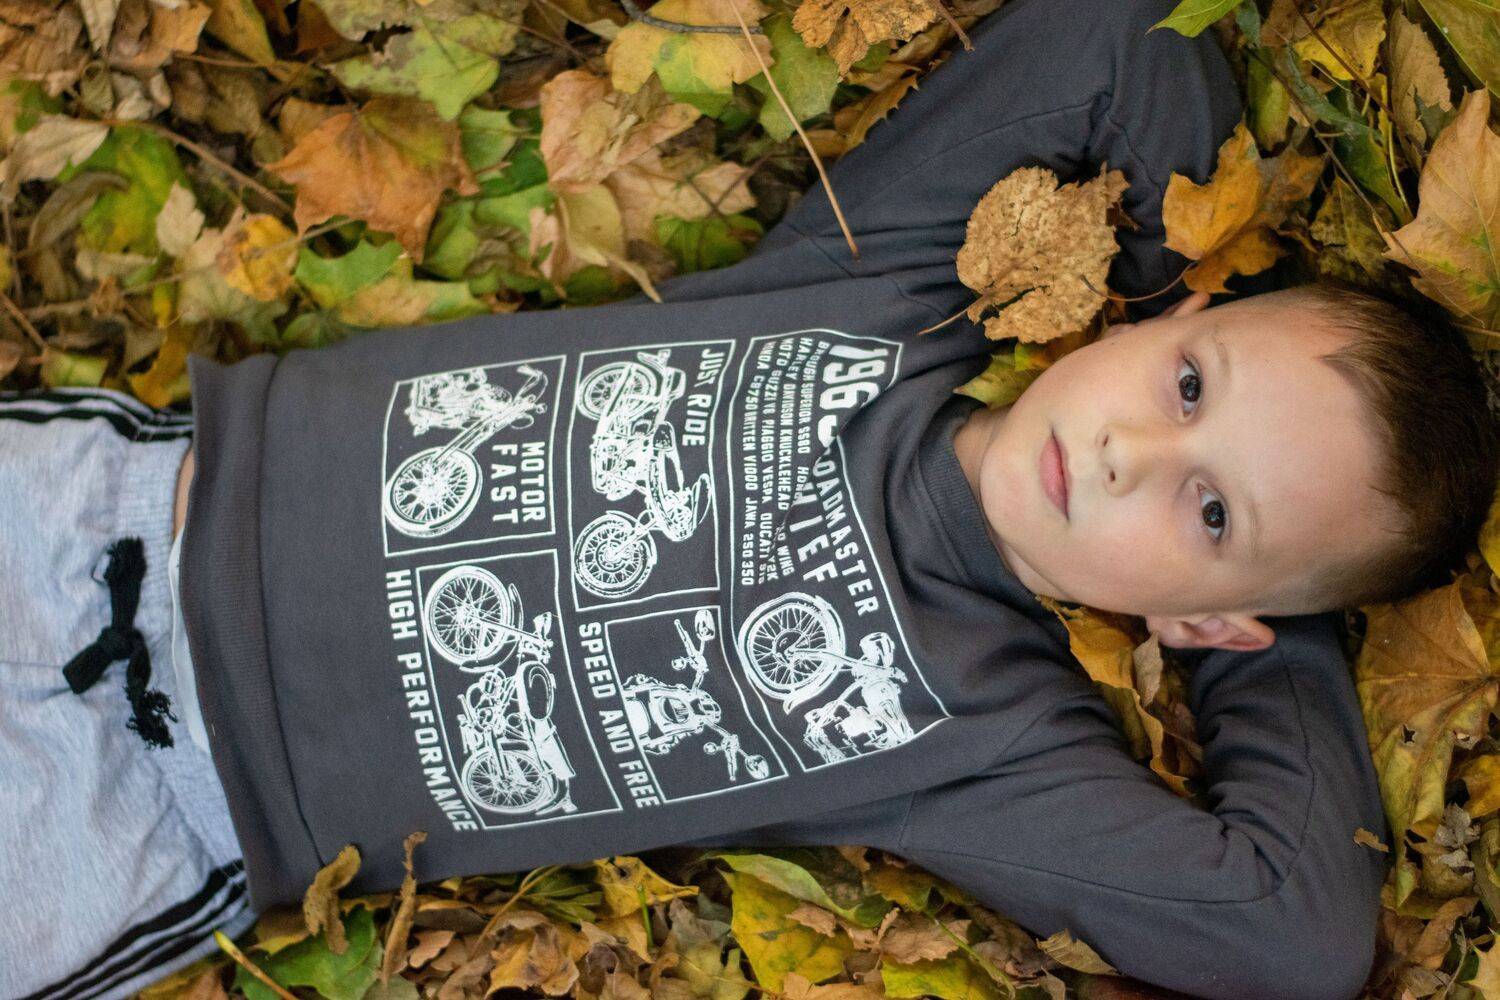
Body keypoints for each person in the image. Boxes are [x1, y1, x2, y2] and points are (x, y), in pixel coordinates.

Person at [3, 0, 1495, 997]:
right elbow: (1126, 34)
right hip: (101, 513)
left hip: (145, 804)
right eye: (1186, 387)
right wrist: (1187, 303)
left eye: (1210, 511)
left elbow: (1290, 932)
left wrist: (1264, 628)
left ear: (1215, 617)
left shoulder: (985, 735)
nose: (1128, 455)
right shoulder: (895, 293)